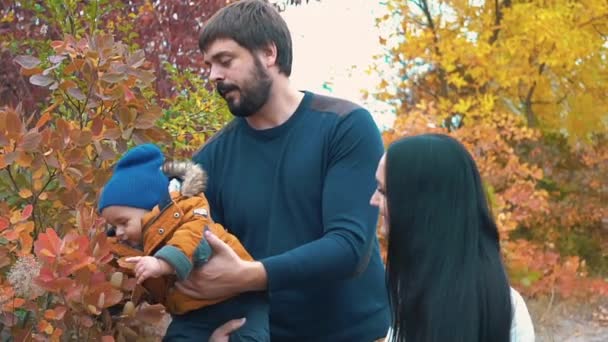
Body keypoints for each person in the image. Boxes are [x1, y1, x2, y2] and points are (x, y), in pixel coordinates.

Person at [175, 0, 390, 340]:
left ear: (269, 53)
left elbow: (349, 247)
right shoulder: (208, 160)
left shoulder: (345, 127)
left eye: (225, 61)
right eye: (209, 64)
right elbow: (196, 259)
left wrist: (249, 274)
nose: (213, 75)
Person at [369, 134, 535, 342]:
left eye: (383, 191)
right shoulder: (410, 291)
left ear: (420, 205)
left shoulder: (505, 310)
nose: (373, 200)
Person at [98, 143, 269, 341]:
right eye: (112, 226)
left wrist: (162, 263)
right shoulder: (131, 248)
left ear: (153, 211)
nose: (118, 232)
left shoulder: (190, 216)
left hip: (239, 301)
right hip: (192, 315)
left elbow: (197, 245)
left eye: (123, 222)